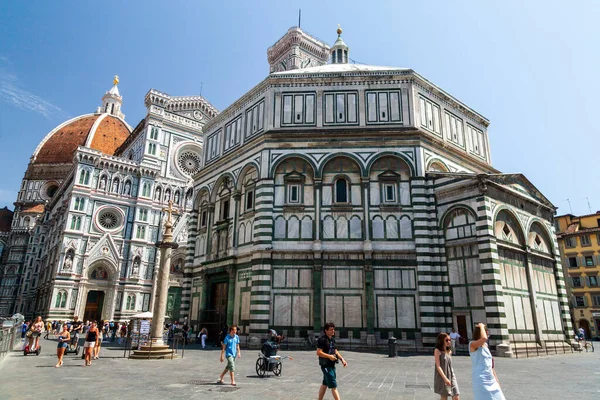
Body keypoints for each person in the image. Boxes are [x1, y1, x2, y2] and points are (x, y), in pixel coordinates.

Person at [469, 323, 505, 400]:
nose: (488, 335)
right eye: (486, 332)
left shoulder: (485, 345)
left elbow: (491, 366)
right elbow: (484, 338)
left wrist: (497, 381)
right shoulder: (472, 345)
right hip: (481, 380)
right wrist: (481, 326)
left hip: (491, 379)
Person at [317, 322, 347, 400]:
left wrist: (342, 359)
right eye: (331, 330)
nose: (333, 331)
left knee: (325, 383)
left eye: (333, 329)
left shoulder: (332, 340)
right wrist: (329, 356)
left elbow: (335, 351)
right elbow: (318, 352)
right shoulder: (322, 340)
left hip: (332, 365)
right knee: (333, 386)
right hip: (326, 365)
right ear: (326, 330)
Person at [434, 332, 460, 400]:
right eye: (446, 340)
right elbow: (438, 365)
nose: (449, 342)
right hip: (442, 376)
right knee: (444, 397)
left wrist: (452, 376)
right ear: (442, 341)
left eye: (449, 340)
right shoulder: (437, 351)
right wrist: (445, 378)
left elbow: (449, 365)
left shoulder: (449, 351)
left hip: (451, 375)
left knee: (456, 396)